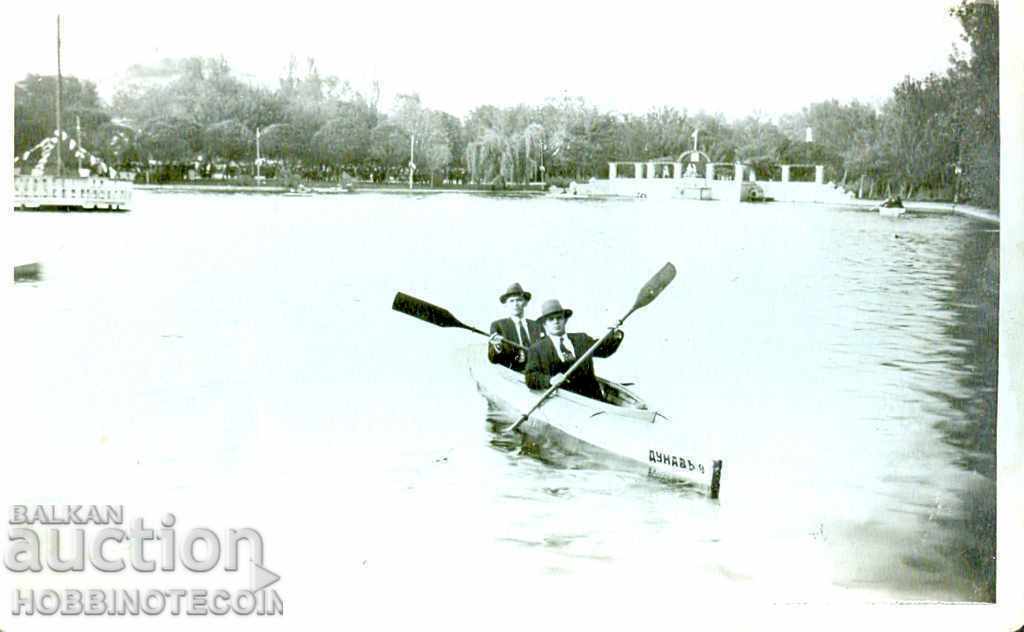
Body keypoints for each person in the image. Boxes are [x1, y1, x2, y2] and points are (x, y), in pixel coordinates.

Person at [524, 299, 624, 401]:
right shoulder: (537, 349)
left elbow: (604, 350)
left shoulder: (581, 339)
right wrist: (550, 380)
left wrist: (615, 334)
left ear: (565, 320)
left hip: (593, 399)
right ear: (544, 325)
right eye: (551, 319)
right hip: (564, 402)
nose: (556, 322)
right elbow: (530, 377)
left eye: (559, 318)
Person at [488, 283, 543, 371]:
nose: (515, 304)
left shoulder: (537, 326)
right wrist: (497, 347)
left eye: (519, 300)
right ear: (506, 304)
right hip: (512, 376)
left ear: (525, 303)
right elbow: (493, 359)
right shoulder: (498, 326)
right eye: (512, 301)